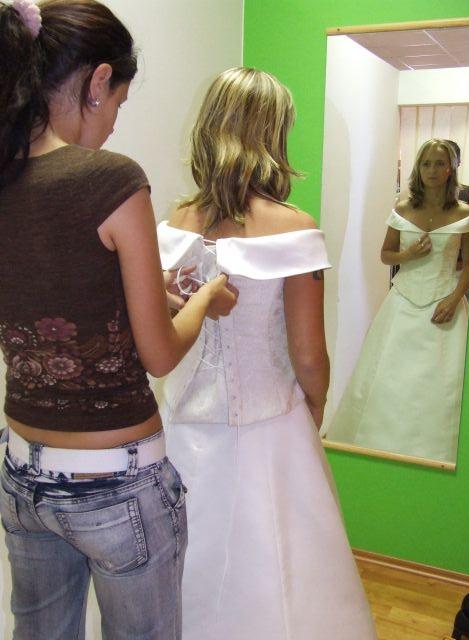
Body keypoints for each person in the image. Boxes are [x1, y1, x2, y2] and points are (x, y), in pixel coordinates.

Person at [0, 1, 237, 639]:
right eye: (119, 104)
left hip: (23, 473)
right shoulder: (111, 179)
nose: (112, 125)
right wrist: (206, 295)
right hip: (116, 480)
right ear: (98, 80)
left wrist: (147, 293)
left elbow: (50, 294)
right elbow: (159, 355)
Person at [157, 67, 377, 640]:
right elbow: (308, 353)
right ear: (273, 134)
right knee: (279, 573)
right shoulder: (294, 228)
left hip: (178, 427)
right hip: (271, 426)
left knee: (176, 568)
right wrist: (316, 405)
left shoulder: (176, 222)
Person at [326, 139, 469, 462]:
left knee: (440, 383)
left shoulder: (465, 214)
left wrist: (455, 298)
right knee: (387, 377)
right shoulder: (403, 208)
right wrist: (407, 255)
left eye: (439, 163)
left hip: (444, 306)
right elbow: (385, 255)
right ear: (417, 169)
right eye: (426, 164)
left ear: (450, 169)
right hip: (402, 301)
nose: (432, 170)